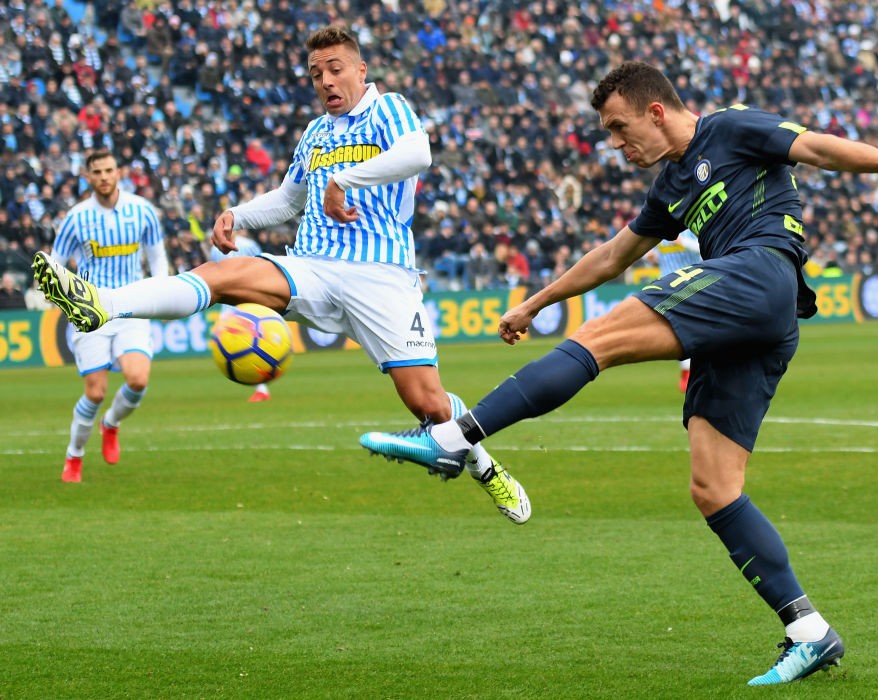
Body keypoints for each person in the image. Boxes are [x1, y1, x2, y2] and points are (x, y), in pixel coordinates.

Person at [356, 61, 878, 684]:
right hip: (756, 320)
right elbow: (611, 255)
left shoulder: (731, 128)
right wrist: (536, 301)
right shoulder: (670, 186)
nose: (616, 145)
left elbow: (815, 146)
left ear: (656, 112)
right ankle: (809, 630)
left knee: (598, 337)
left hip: (761, 273)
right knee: (714, 488)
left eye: (620, 129)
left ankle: (452, 438)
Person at [32, 26, 530, 524]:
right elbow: (291, 199)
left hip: (380, 276)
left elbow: (418, 154)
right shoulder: (316, 132)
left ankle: (489, 473)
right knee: (222, 274)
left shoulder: (388, 108)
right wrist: (238, 215)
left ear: (361, 70)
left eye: (335, 69)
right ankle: (102, 303)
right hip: (311, 267)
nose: (326, 81)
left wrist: (343, 178)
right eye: (316, 74)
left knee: (432, 407)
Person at [47, 149, 168, 483]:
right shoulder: (76, 218)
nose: (103, 176)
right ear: (88, 177)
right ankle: (74, 456)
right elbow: (56, 264)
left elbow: (158, 260)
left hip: (132, 306)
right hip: (92, 311)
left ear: (120, 172)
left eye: (109, 170)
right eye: (97, 171)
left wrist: (160, 296)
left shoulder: (142, 211)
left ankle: (111, 424)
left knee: (138, 380)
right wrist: (61, 294)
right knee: (96, 392)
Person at [207, 233, 273, 402]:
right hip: (233, 302)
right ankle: (257, 382)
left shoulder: (246, 245)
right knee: (233, 343)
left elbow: (262, 266)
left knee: (244, 343)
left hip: (242, 300)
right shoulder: (220, 247)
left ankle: (259, 383)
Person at [654, 230, 701, 391]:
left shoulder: (692, 228)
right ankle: (687, 371)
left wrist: (682, 242)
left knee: (691, 330)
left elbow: (704, 248)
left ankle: (690, 371)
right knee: (677, 331)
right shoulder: (660, 229)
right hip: (665, 287)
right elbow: (652, 253)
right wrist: (650, 257)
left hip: (692, 285)